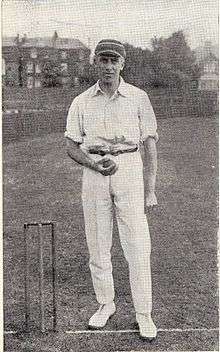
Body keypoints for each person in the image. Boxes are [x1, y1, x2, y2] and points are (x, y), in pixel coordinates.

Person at [65, 39, 158, 340]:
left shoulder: (138, 97)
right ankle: (105, 305)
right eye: (102, 60)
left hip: (129, 170)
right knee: (98, 246)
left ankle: (144, 314)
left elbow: (150, 144)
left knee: (138, 247)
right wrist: (93, 165)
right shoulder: (81, 101)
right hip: (94, 173)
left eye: (113, 60)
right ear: (95, 63)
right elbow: (71, 146)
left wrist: (150, 189)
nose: (108, 66)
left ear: (122, 64)